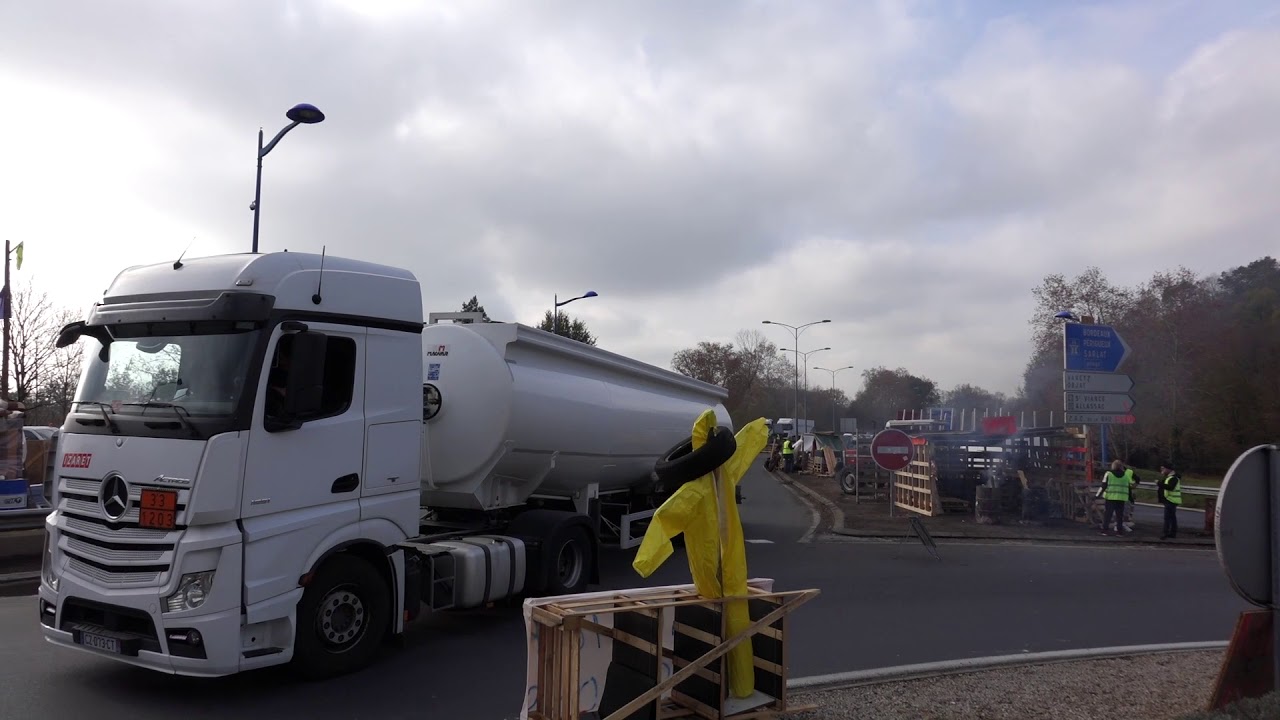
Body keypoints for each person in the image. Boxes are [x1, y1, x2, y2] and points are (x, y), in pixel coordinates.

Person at [1100, 460, 1131, 536]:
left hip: (1110, 497)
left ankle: (1105, 530)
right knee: (1119, 516)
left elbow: (1103, 486)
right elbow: (1128, 487)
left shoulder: (1109, 474)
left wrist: (1097, 495)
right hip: (1121, 498)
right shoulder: (1126, 476)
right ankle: (1119, 532)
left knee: (1108, 515)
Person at [1158, 461, 1182, 539]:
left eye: (1163, 469)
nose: (1162, 470)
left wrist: (1159, 483)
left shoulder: (1173, 478)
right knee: (1171, 517)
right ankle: (1172, 533)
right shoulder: (1170, 477)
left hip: (1171, 500)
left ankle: (1166, 533)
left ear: (1168, 469)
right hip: (1170, 500)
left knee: (1168, 518)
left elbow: (1170, 487)